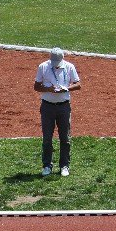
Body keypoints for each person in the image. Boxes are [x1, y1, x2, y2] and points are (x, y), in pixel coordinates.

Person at [34, 47, 81, 177]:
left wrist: (66, 88)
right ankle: (47, 165)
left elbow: (78, 84)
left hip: (64, 107)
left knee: (65, 138)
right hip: (47, 107)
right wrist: (49, 89)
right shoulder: (43, 67)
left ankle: (64, 165)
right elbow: (36, 86)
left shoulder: (69, 67)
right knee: (47, 138)